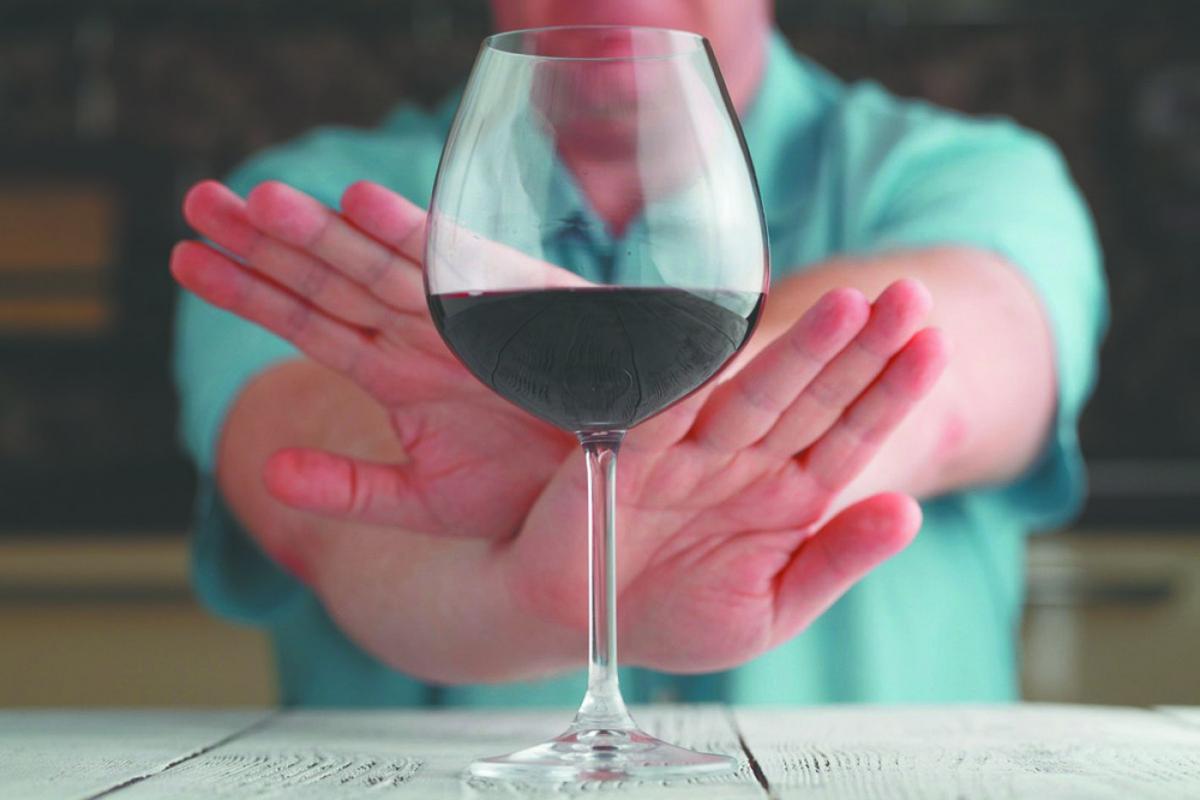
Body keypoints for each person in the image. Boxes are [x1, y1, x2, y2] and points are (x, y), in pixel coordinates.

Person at [171, 0, 1106, 707]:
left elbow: (952, 372)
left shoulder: (974, 177)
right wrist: (539, 589)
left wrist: (594, 450)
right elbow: (324, 508)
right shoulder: (305, 210)